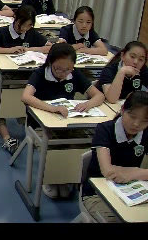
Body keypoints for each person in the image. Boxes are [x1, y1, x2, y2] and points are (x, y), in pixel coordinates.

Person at [21, 42, 105, 198]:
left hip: (67, 124)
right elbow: (26, 96)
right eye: (58, 69)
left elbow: (99, 95)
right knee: (55, 147)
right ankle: (51, 179)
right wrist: (51, 108)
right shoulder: (40, 74)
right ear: (50, 62)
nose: (62, 73)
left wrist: (87, 104)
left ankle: (66, 178)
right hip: (40, 125)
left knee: (78, 145)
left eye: (68, 69)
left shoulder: (74, 74)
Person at [0, 5, 52, 154]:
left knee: (25, 98)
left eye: (29, 25)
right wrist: (9, 50)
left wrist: (29, 49)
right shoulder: (2, 32)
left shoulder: (31, 33)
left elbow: (49, 47)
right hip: (1, 76)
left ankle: (28, 124)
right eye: (23, 24)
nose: (25, 29)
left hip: (24, 78)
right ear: (15, 19)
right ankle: (6, 137)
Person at [81, 91, 148, 223]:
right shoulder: (105, 129)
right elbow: (108, 171)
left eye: (145, 121)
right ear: (122, 110)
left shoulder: (145, 133)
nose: (136, 124)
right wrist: (139, 172)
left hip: (132, 190)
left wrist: (134, 173)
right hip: (96, 194)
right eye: (132, 116)